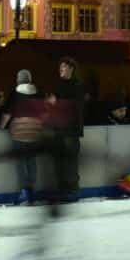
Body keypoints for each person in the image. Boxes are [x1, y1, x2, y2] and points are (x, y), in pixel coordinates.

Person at [0, 69, 43, 205]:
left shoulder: (14, 93)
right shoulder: (38, 93)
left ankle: (24, 191)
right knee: (31, 162)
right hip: (34, 132)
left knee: (21, 163)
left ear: (18, 79)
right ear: (29, 79)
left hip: (19, 132)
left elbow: (7, 114)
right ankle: (31, 191)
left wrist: (1, 127)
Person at [51, 56, 84, 201]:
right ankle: (62, 189)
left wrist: (56, 102)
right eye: (60, 67)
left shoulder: (78, 85)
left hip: (71, 130)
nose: (60, 69)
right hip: (58, 129)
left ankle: (73, 190)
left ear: (71, 69)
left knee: (70, 161)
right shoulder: (58, 85)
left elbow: (74, 107)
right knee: (59, 161)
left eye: (63, 67)